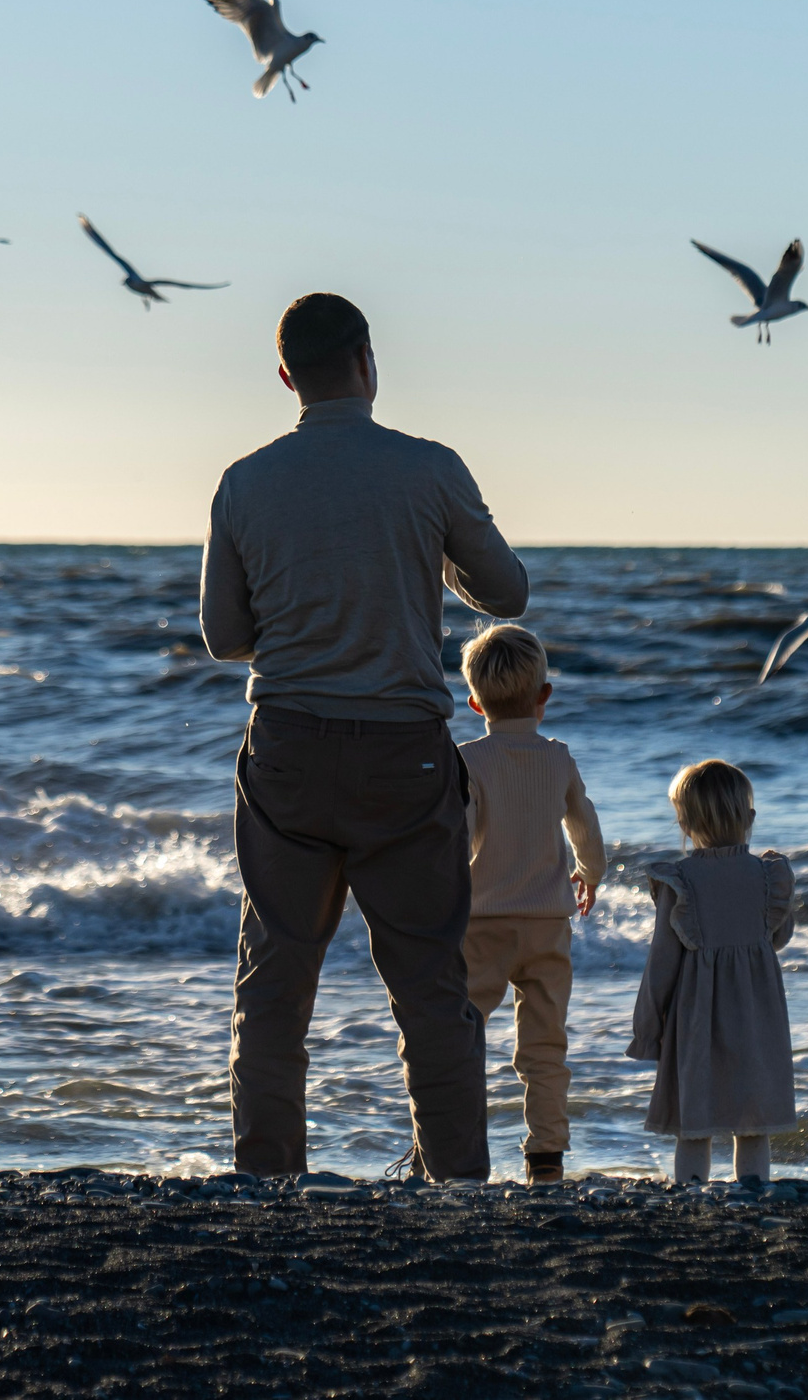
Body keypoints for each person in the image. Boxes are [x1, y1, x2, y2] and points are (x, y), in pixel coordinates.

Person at [199, 292, 530, 1181]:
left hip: (288, 750)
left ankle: (268, 1176)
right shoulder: (428, 469)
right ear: (367, 359)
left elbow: (223, 637)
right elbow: (509, 592)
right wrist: (432, 554)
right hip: (405, 752)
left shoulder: (245, 480)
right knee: (428, 983)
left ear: (285, 377)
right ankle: (455, 1177)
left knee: (274, 980)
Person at [455, 623, 607, 1186]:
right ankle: (546, 1157)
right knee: (545, 1047)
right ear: (545, 695)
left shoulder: (469, 760)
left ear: (474, 703)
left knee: (463, 1036)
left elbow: (460, 838)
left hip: (481, 923)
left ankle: (456, 1148)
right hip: (547, 923)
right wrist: (589, 875)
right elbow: (584, 829)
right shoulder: (558, 757)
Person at [628, 758, 798, 1185]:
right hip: (758, 1014)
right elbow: (777, 937)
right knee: (753, 1117)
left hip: (697, 1015)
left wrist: (648, 1029)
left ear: (684, 823)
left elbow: (661, 964)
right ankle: (754, 1191)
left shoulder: (680, 881)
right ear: (751, 818)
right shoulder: (769, 875)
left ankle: (689, 1191)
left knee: (693, 1118)